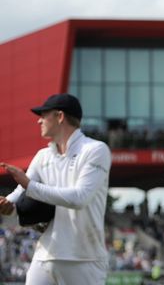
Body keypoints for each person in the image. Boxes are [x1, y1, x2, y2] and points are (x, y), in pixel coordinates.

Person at [0, 93, 111, 284]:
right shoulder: (43, 155)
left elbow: (79, 198)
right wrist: (7, 202)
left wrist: (29, 185)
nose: (39, 121)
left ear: (60, 117)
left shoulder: (96, 150)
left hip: (85, 258)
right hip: (46, 254)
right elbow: (20, 191)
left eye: (44, 115)